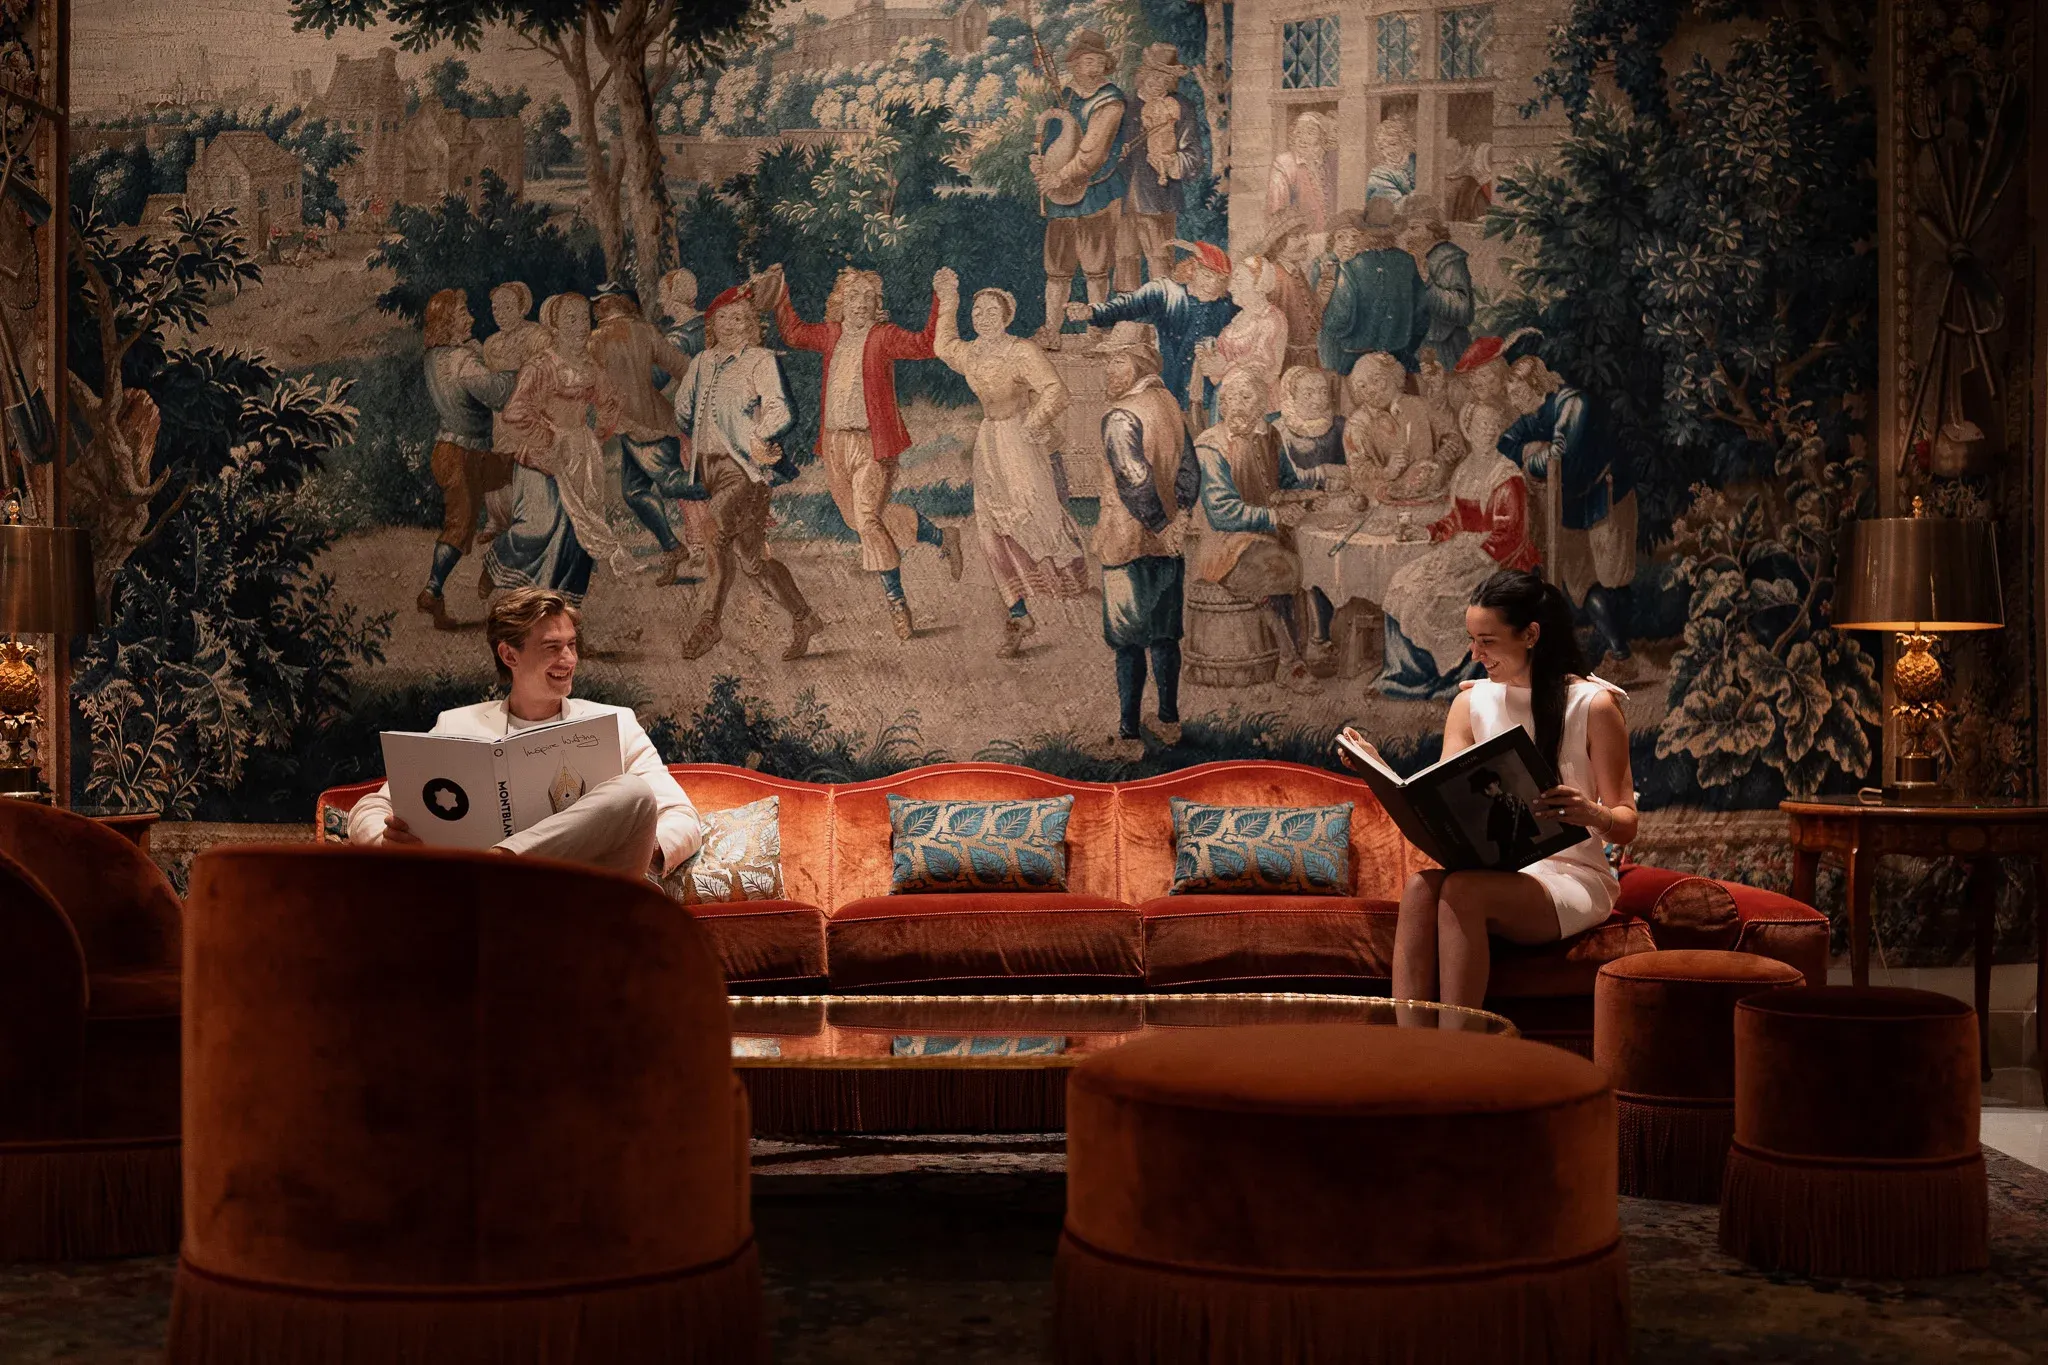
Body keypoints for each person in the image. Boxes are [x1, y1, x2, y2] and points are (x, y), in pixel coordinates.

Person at [1337, 569, 1637, 1011]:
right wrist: (1380, 770)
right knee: (1421, 887)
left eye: (1487, 641)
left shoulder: (1594, 705)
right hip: (1503, 871)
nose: (1474, 654)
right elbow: (1442, 799)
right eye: (1471, 639)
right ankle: (1410, 1054)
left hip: (1573, 877)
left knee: (1463, 892)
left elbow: (1625, 824)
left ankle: (1462, 1057)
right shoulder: (1470, 702)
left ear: (1531, 634)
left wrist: (1593, 815)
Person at [347, 586, 703, 880]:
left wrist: (636, 849)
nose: (569, 659)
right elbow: (370, 806)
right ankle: (499, 874)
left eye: (572, 645)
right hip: (488, 905)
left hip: (590, 889)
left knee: (633, 793)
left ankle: (500, 863)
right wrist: (384, 841)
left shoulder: (616, 722)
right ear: (509, 655)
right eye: (552, 647)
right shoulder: (456, 728)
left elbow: (683, 818)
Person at [765, 264, 964, 641]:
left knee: (869, 520)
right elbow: (791, 333)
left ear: (877, 306)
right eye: (853, 297)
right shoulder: (830, 336)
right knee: (861, 520)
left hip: (874, 443)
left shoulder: (883, 336)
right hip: (836, 444)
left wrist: (941, 298)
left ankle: (897, 602)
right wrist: (779, 291)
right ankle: (941, 537)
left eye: (868, 299)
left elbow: (924, 344)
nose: (860, 304)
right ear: (840, 302)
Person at [933, 273, 1088, 656]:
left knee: (1032, 515)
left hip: (1020, 441)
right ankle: (1017, 612)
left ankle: (1071, 580)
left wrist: (1034, 423)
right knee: (990, 527)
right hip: (990, 443)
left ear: (1006, 316)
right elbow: (943, 345)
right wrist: (949, 298)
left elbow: (1055, 391)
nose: (983, 318)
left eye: (991, 312)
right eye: (977, 311)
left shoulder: (1022, 352)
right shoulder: (972, 353)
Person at [673, 284, 823, 662]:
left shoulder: (759, 360)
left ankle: (710, 622)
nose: (730, 325)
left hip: (746, 471)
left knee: (714, 531)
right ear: (712, 324)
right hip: (708, 468)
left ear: (751, 324)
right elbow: (683, 411)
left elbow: (781, 411)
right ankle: (805, 617)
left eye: (739, 318)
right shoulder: (703, 362)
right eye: (722, 318)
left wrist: (758, 435)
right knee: (753, 561)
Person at [1377, 356, 1539, 697]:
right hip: (1460, 551)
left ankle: (1446, 680)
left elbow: (1509, 537)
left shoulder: (1506, 475)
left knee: (1432, 598)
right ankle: (1403, 675)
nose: (1486, 432)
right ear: (1468, 428)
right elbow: (1454, 521)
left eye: (1492, 427)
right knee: (1401, 583)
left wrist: (1471, 556)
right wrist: (1429, 532)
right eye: (1480, 426)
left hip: (1497, 562)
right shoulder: (1464, 469)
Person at [1090, 323, 1199, 760]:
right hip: (1168, 542)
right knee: (1164, 634)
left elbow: (1133, 480)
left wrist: (1160, 524)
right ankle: (1169, 721)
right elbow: (1190, 469)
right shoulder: (1168, 403)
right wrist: (1181, 518)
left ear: (1137, 363)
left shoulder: (1121, 416)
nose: (1107, 371)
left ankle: (1129, 734)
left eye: (1115, 360)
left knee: (1129, 641)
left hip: (1129, 542)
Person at [1499, 347, 1640, 678]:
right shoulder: (1530, 418)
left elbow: (1558, 455)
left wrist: (1531, 456)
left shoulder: (1570, 402)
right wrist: (1528, 450)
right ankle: (1616, 654)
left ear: (1534, 384)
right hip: (1571, 505)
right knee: (1579, 582)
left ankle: (1623, 655)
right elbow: (1505, 444)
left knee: (1612, 576)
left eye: (1517, 392)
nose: (1514, 400)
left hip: (1605, 496)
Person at [1189, 367, 1317, 695]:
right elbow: (1222, 514)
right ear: (1223, 405)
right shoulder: (1211, 446)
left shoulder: (1268, 436)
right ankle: (1291, 663)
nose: (1239, 406)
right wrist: (1275, 516)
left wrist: (1320, 480)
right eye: (1232, 399)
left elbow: (1286, 482)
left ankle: (1303, 651)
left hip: (1263, 536)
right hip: (1226, 547)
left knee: (1310, 558)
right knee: (1278, 565)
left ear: (1261, 404)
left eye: (1248, 398)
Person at [499, 293, 637, 586]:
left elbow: (610, 401)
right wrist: (548, 438)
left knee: (578, 529)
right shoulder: (541, 367)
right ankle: (501, 567)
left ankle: (567, 602)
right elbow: (515, 411)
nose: (580, 326)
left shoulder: (589, 368)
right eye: (570, 319)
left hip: (582, 453)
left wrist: (597, 434)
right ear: (555, 327)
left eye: (584, 318)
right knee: (540, 527)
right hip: (543, 454)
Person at [416, 288, 517, 630]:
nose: (471, 318)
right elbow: (499, 393)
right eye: (463, 313)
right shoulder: (462, 362)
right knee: (460, 527)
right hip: (463, 456)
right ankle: (431, 590)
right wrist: (521, 371)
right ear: (449, 321)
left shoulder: (434, 356)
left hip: (457, 451)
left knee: (519, 475)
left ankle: (504, 564)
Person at [590, 289, 699, 584]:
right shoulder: (646, 331)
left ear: (609, 304)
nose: (596, 308)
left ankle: (724, 485)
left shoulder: (597, 340)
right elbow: (681, 367)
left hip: (639, 425)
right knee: (634, 493)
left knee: (671, 483)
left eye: (599, 303)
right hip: (649, 421)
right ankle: (673, 548)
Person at [1032, 28, 1131, 348]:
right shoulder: (1066, 95)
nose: (1092, 67)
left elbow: (1093, 152)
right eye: (1086, 60)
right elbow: (1050, 138)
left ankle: (1096, 331)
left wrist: (1060, 177)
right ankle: (1052, 330)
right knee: (1057, 265)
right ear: (1073, 64)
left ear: (1105, 64)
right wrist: (1038, 162)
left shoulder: (1110, 100)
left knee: (1095, 265)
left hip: (1097, 191)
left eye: (1098, 61)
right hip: (1061, 195)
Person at [1069, 241, 1238, 416]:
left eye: (1220, 279)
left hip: (1213, 396)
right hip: (1171, 388)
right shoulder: (1165, 293)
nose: (1213, 284)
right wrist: (1091, 312)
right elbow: (1127, 306)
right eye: (1208, 276)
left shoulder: (1228, 305)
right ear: (1192, 268)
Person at [477, 282, 553, 599]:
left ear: (522, 307)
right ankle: (501, 530)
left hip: (532, 419)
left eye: (508, 307)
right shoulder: (491, 344)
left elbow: (545, 374)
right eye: (496, 308)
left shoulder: (538, 336)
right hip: (503, 422)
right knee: (504, 476)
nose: (501, 313)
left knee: (536, 488)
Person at [1271, 364, 1348, 671]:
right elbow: (1281, 480)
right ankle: (1315, 638)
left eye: (1322, 392)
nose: (1318, 399)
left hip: (1337, 508)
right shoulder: (1278, 430)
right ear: (1291, 395)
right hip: (1294, 512)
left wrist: (1344, 486)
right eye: (1309, 392)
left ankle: (1333, 636)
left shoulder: (1340, 426)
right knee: (1309, 555)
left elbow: (1355, 468)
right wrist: (1321, 477)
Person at [1117, 43, 1202, 291]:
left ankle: (1161, 320)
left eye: (1166, 78)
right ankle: (1128, 320)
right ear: (1143, 73)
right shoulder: (1124, 105)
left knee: (1159, 259)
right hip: (1122, 197)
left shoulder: (1181, 108)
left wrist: (1171, 161)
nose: (1159, 82)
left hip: (1158, 196)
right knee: (1124, 257)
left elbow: (1194, 154)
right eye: (1154, 75)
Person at [1317, 208, 1428, 380]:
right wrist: (1408, 344)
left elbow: (1338, 320)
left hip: (1357, 360)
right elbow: (1422, 313)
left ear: (1365, 233)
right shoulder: (1407, 261)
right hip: (1399, 356)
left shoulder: (1352, 266)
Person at [1345, 351, 1445, 518]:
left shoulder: (1419, 406)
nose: (1370, 390)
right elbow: (1357, 471)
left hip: (1430, 501)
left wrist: (1437, 464)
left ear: (1394, 376)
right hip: (1384, 508)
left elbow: (1450, 439)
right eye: (1362, 386)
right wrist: (1386, 472)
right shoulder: (1357, 424)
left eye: (1376, 380)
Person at [1193, 255, 1288, 419]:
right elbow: (1219, 367)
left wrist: (1223, 367)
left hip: (1258, 409)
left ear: (1258, 284)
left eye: (1239, 281)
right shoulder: (1236, 320)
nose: (1231, 288)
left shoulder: (1271, 319)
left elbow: (1264, 368)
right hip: (1227, 403)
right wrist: (1208, 360)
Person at [1399, 202, 1474, 369]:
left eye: (1414, 228)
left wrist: (1426, 282)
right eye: (1406, 229)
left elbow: (1462, 309)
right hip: (1413, 344)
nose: (1407, 236)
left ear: (1432, 230)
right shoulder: (1411, 258)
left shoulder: (1448, 258)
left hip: (1443, 347)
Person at [1256, 211, 1325, 376]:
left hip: (1308, 359)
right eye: (1296, 236)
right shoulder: (1272, 275)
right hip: (1285, 362)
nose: (1305, 241)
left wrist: (1321, 299)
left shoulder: (1297, 273)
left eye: (1305, 235)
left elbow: (1311, 320)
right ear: (1278, 243)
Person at [1267, 110, 1335, 236]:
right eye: (1298, 133)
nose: (1302, 139)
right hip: (1298, 238)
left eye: (1310, 133)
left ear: (1322, 138)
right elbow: (1277, 210)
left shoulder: (1325, 164)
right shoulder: (1284, 163)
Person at [1366, 115, 1417, 202]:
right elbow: (1392, 207)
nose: (1389, 151)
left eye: (1393, 144)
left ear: (1405, 141)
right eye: (1383, 148)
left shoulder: (1417, 163)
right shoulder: (1379, 174)